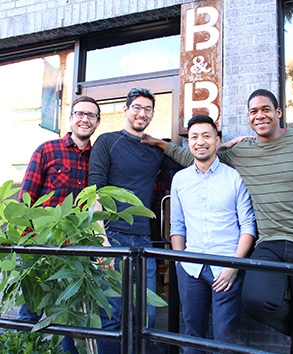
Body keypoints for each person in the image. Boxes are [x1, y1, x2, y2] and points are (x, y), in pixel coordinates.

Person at [142, 89, 293, 354]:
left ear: (278, 113)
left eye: (265, 109)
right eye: (253, 111)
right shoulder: (242, 152)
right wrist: (161, 144)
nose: (259, 115)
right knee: (256, 301)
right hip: (270, 242)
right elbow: (198, 158)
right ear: (248, 117)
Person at [87, 87, 180, 353]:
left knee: (145, 314)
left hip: (143, 240)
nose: (142, 113)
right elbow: (95, 192)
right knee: (111, 314)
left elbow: (192, 160)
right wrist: (101, 242)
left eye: (148, 109)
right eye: (137, 107)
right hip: (112, 236)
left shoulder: (155, 149)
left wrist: (223, 147)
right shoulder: (107, 141)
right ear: (126, 110)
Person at [18, 95, 101, 354]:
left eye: (91, 115)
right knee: (31, 312)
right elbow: (26, 197)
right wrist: (27, 242)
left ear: (97, 122)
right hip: (42, 245)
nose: (85, 119)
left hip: (76, 250)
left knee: (70, 316)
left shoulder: (97, 157)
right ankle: (23, 348)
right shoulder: (47, 149)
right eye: (80, 113)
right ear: (70, 118)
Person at [170, 114, 256, 353]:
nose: (200, 141)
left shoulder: (234, 177)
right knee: (192, 336)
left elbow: (248, 226)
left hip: (226, 265)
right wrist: (180, 262)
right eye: (194, 136)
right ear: (188, 143)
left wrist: (234, 265)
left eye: (207, 136)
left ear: (217, 140)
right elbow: (177, 225)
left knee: (225, 339)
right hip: (191, 267)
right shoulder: (180, 179)